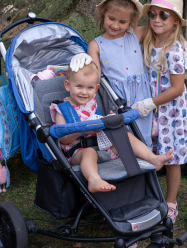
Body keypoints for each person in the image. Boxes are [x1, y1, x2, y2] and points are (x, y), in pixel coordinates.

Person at [50, 54, 172, 193]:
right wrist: (84, 130)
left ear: (96, 89)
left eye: (89, 88)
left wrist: (108, 121)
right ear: (67, 85)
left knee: (125, 136)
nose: (84, 92)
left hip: (102, 148)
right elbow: (63, 138)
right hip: (78, 153)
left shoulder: (93, 103)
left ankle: (153, 158)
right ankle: (94, 179)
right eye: (79, 86)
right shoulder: (62, 108)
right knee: (89, 152)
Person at [133, 0, 187, 223]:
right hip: (152, 109)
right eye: (152, 14)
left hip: (171, 112)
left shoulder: (175, 50)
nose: (156, 19)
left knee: (171, 158)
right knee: (149, 152)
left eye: (164, 15)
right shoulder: (147, 36)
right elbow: (125, 35)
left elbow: (177, 88)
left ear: (176, 21)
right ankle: (146, 196)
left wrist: (150, 103)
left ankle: (171, 202)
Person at [87, 0, 154, 150]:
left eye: (122, 21)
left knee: (142, 136)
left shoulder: (135, 34)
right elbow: (95, 80)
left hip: (140, 96)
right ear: (104, 13)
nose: (115, 25)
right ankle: (125, 171)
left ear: (132, 21)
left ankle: (146, 170)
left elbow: (162, 31)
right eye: (111, 18)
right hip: (116, 100)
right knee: (121, 142)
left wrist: (181, 39)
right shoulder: (96, 45)